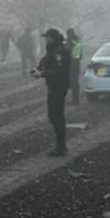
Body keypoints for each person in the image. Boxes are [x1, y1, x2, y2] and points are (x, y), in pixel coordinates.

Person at [35, 28, 71, 157]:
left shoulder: (60, 51)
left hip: (58, 87)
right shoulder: (52, 49)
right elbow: (46, 62)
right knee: (53, 116)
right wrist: (39, 69)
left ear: (53, 38)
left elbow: (59, 70)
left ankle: (61, 147)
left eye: (47, 37)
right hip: (53, 86)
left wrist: (42, 74)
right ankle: (60, 146)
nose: (46, 39)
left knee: (56, 116)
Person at [66, 28, 83, 105]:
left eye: (68, 34)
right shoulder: (77, 41)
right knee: (74, 81)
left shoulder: (71, 41)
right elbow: (80, 55)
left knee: (73, 82)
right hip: (76, 63)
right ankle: (75, 99)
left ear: (70, 34)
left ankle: (75, 100)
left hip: (72, 63)